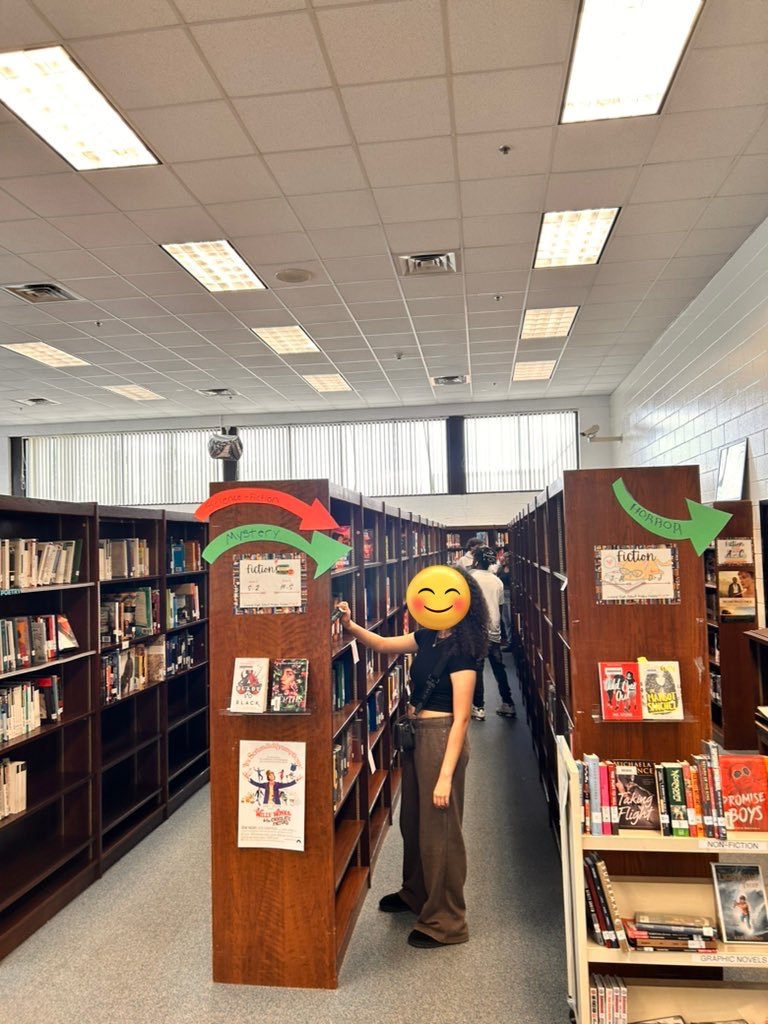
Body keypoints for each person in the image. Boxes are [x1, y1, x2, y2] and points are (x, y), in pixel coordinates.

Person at [337, 566, 488, 949]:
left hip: (441, 739)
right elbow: (383, 644)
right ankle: (417, 893)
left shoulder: (464, 651)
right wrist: (351, 626)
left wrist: (445, 776)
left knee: (441, 831)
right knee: (414, 822)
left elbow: (462, 718)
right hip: (418, 736)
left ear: (464, 600)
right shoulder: (428, 635)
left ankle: (447, 921)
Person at [468, 546, 517, 721]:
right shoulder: (497, 581)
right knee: (498, 667)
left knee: (478, 668)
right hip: (494, 629)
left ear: (476, 560)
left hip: (476, 630)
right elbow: (500, 607)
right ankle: (508, 703)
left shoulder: (470, 578)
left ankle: (479, 707)